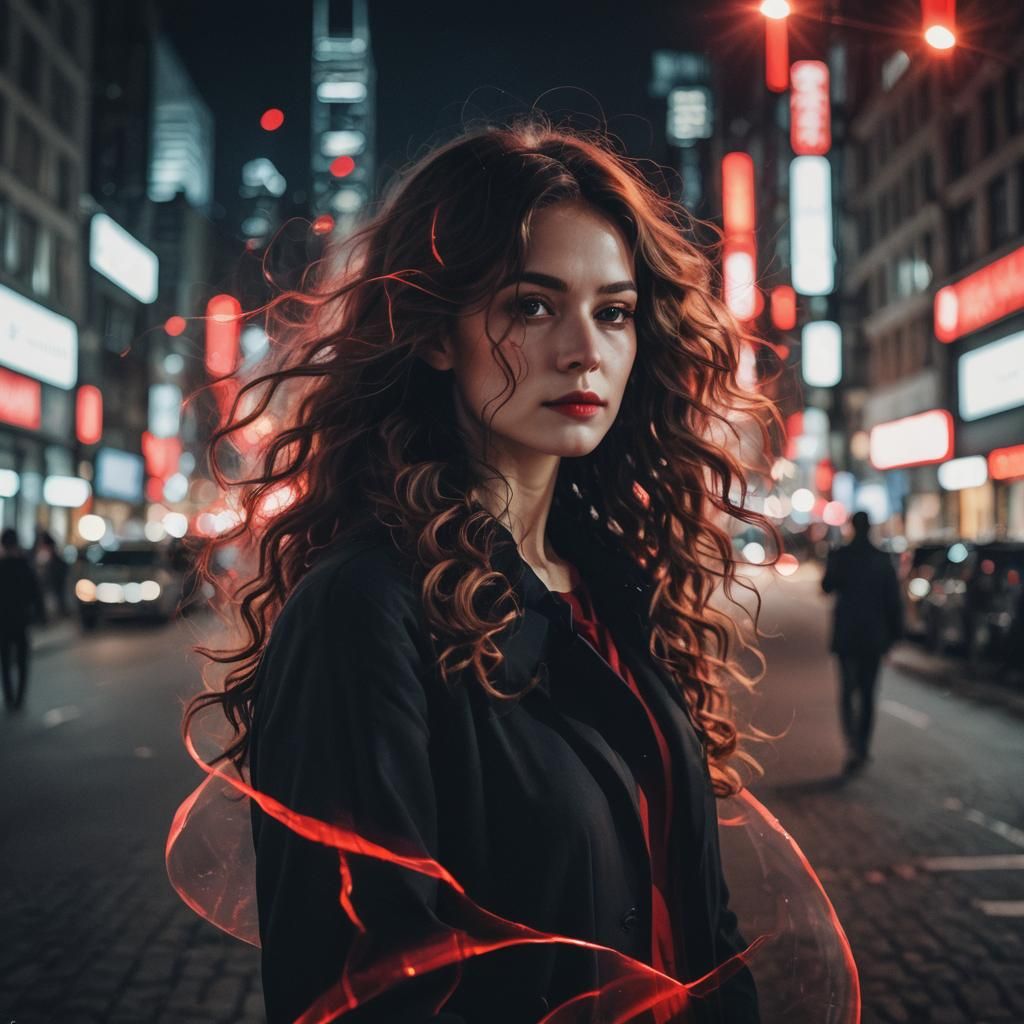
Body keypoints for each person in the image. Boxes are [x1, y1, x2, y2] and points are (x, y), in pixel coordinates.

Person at [182, 118, 789, 1024]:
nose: (585, 348)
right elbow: (360, 985)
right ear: (434, 332)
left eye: (613, 311)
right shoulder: (362, 610)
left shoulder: (619, 590)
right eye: (532, 305)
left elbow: (700, 923)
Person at [821, 510, 904, 775]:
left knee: (848, 692)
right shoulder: (882, 559)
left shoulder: (842, 555)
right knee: (867, 694)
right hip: (872, 636)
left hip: (848, 635)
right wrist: (893, 636)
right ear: (869, 528)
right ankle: (862, 745)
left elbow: (826, 586)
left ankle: (853, 744)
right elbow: (893, 602)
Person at [0, 527, 46, 710]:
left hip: (3, 620)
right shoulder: (24, 566)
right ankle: (19, 698)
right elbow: (36, 592)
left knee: (5, 661)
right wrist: (41, 615)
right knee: (21, 660)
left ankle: (10, 696)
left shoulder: (2, 567)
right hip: (21, 620)